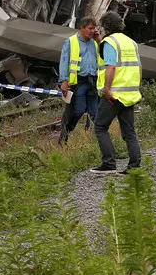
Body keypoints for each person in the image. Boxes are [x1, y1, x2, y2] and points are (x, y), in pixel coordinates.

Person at [90, 11, 143, 175]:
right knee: (129, 132)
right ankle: (134, 165)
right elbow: (139, 67)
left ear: (105, 27)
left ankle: (108, 163)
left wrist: (107, 89)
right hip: (129, 93)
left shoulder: (109, 42)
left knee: (100, 127)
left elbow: (111, 66)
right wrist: (136, 87)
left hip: (114, 94)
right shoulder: (131, 42)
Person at [57, 17, 102, 145]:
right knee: (78, 111)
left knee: (95, 113)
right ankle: (65, 133)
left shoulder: (95, 43)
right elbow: (64, 61)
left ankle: (100, 142)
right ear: (82, 28)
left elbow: (105, 56)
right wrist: (64, 80)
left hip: (93, 82)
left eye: (94, 28)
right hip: (79, 82)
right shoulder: (71, 42)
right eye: (90, 28)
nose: (93, 31)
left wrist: (100, 41)